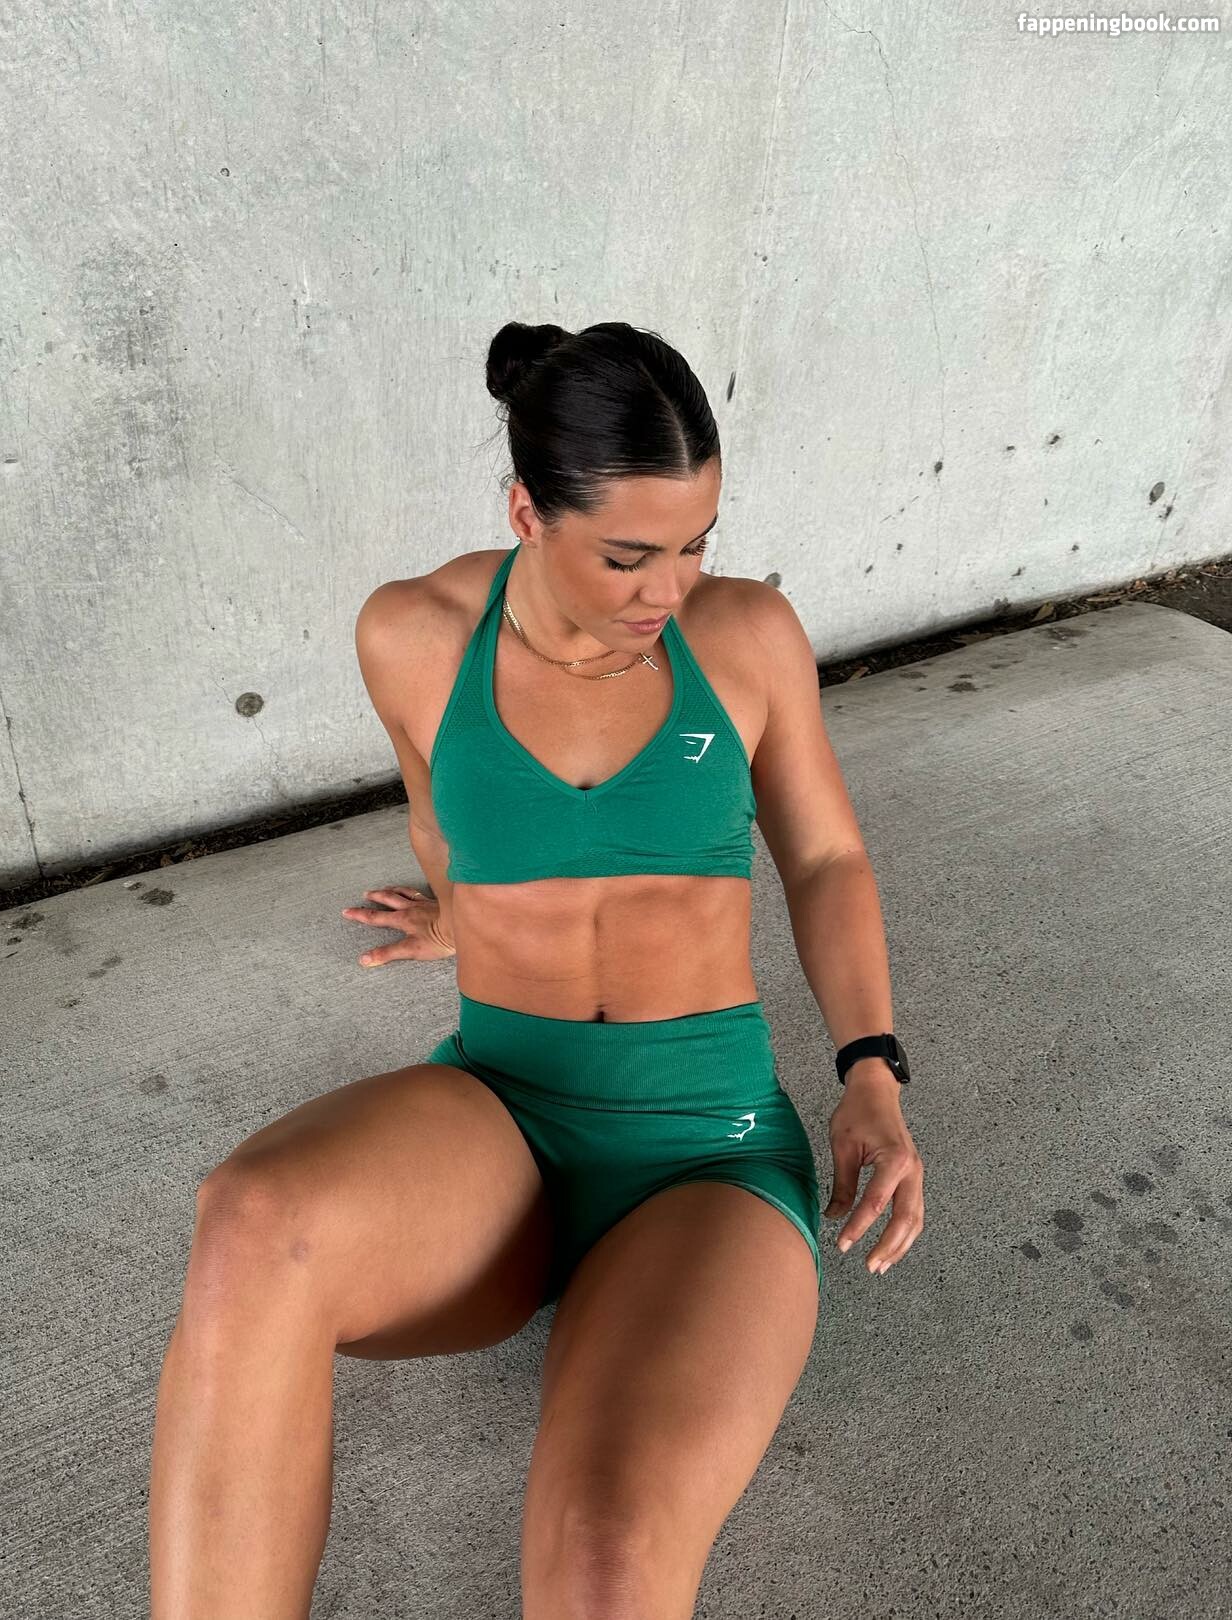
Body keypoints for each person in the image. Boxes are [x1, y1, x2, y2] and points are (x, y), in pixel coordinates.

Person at [148, 320, 926, 1618]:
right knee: (248, 1219)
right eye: (627, 556)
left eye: (695, 544)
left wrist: (870, 1071)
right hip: (501, 1115)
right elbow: (441, 816)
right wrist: (461, 917)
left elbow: (828, 858)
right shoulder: (414, 634)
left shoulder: (745, 637)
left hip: (706, 1150)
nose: (667, 589)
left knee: (608, 1559)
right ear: (527, 512)